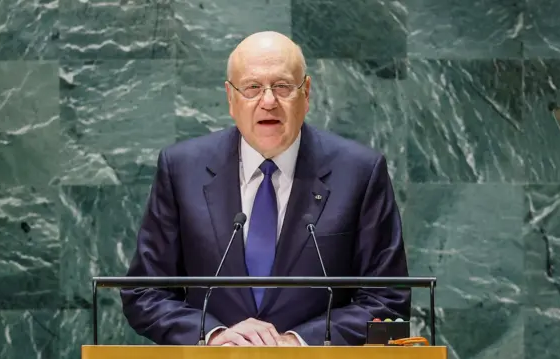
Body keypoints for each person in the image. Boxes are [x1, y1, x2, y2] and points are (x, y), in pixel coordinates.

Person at [120, 31, 410, 346]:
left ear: (307, 93)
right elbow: (145, 292)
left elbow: (387, 299)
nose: (268, 101)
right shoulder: (181, 169)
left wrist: (297, 342)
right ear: (231, 98)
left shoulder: (360, 172)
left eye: (283, 86)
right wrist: (213, 335)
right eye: (252, 88)